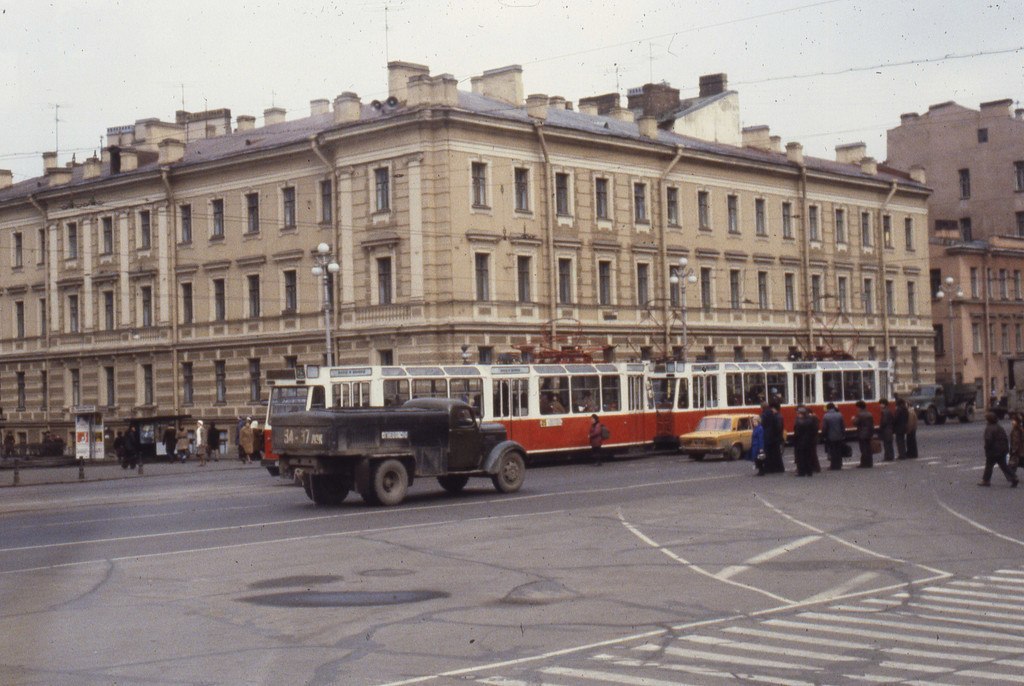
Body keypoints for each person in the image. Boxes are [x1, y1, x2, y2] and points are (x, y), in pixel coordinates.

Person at [980, 411, 1018, 487]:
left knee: (989, 465)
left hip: (993, 451)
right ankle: (1014, 477)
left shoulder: (989, 428)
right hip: (1002, 450)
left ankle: (986, 481)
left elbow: (988, 440)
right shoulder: (999, 427)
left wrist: (986, 449)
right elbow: (1005, 438)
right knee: (1004, 465)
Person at [792, 405, 819, 477]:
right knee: (808, 457)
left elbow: (796, 432)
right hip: (809, 441)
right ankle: (809, 471)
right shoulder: (811, 420)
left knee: (801, 457)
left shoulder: (799, 422)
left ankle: (801, 472)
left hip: (800, 442)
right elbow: (814, 430)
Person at [759, 402, 785, 475]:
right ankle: (778, 468)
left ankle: (768, 468)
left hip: (768, 436)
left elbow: (762, 424)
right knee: (776, 454)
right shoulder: (773, 414)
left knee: (768, 453)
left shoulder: (764, 415)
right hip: (774, 437)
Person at [822, 402, 846, 470]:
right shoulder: (839, 414)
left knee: (832, 451)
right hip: (839, 436)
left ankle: (833, 465)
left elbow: (824, 427)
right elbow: (843, 426)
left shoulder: (826, 416)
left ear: (828, 408)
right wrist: (843, 434)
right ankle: (839, 464)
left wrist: (824, 435)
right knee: (838, 451)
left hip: (830, 436)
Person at [854, 400, 874, 468]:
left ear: (859, 407)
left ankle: (864, 463)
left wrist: (853, 419)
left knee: (863, 449)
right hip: (869, 433)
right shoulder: (869, 414)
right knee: (868, 448)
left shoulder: (859, 414)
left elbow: (856, 423)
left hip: (862, 433)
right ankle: (870, 462)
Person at [1010, 413, 1024, 478]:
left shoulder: (1018, 430)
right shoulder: (1016, 429)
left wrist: (1014, 450)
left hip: (1018, 450)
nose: (1012, 422)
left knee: (1014, 463)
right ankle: (1012, 476)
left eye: (1014, 420)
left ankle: (1012, 476)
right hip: (1019, 450)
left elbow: (1016, 441)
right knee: (1016, 463)